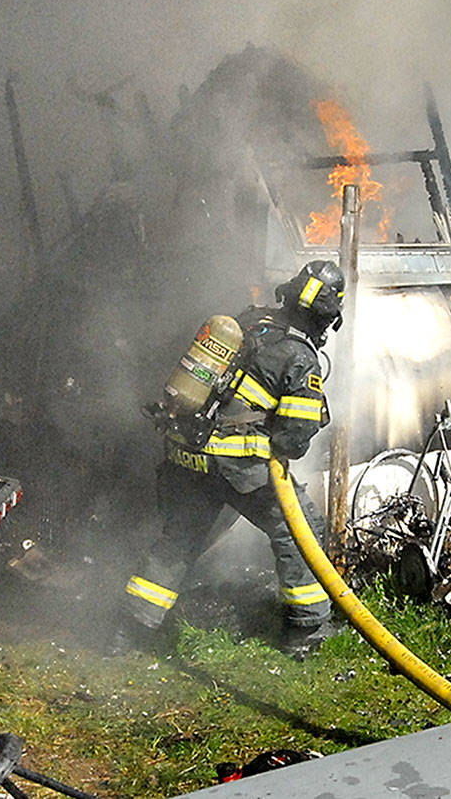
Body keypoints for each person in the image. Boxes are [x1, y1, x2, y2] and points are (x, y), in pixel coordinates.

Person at [119, 260, 345, 657]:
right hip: (237, 466)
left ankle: (130, 630)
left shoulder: (251, 320)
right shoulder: (300, 357)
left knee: (180, 538)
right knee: (300, 530)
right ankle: (306, 629)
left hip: (187, 452)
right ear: (324, 318)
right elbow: (293, 440)